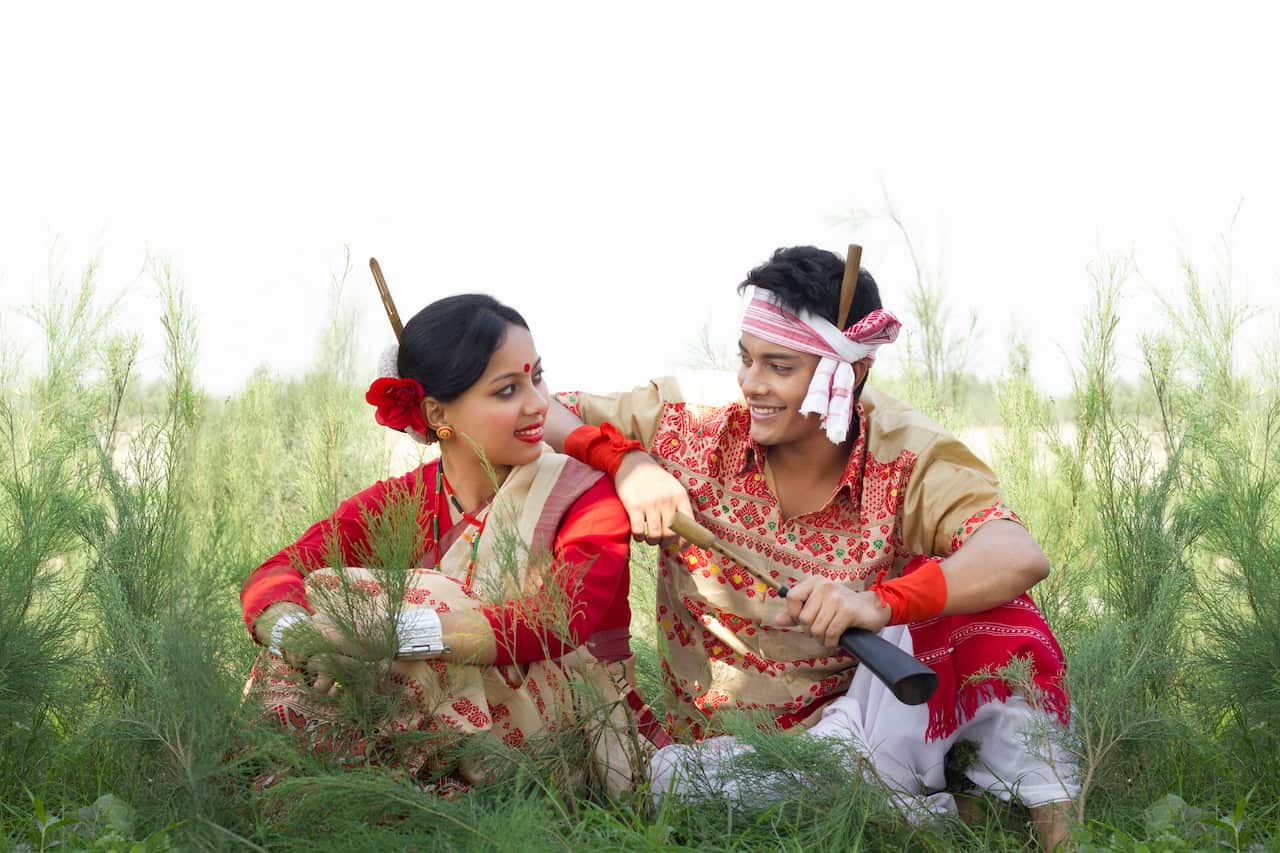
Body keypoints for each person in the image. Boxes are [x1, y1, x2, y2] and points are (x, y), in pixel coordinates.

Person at [544, 247, 1079, 849]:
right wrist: (628, 461)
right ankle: (936, 811)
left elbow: (1017, 554)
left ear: (843, 375)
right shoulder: (689, 420)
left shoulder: (907, 454)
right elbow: (542, 411)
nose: (752, 384)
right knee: (673, 784)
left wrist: (878, 603)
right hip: (715, 745)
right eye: (745, 360)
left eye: (779, 366)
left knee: (1003, 615)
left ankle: (1059, 832)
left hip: (861, 726)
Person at [240, 294, 665, 796]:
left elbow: (557, 617)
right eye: (507, 390)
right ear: (437, 411)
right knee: (332, 602)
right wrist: (303, 639)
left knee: (415, 601)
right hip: (442, 719)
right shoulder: (408, 500)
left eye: (537, 378)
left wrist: (388, 632)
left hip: (574, 726)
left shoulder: (582, 494)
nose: (538, 404)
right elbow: (276, 573)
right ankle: (325, 791)